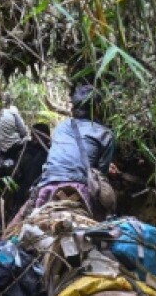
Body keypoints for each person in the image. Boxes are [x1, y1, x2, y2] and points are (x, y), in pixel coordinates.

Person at [7, 86, 117, 230]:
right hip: (81, 188)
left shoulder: (61, 127)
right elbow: (99, 174)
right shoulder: (105, 134)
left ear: (74, 108)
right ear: (98, 109)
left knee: (16, 228)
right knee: (106, 221)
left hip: (47, 186)